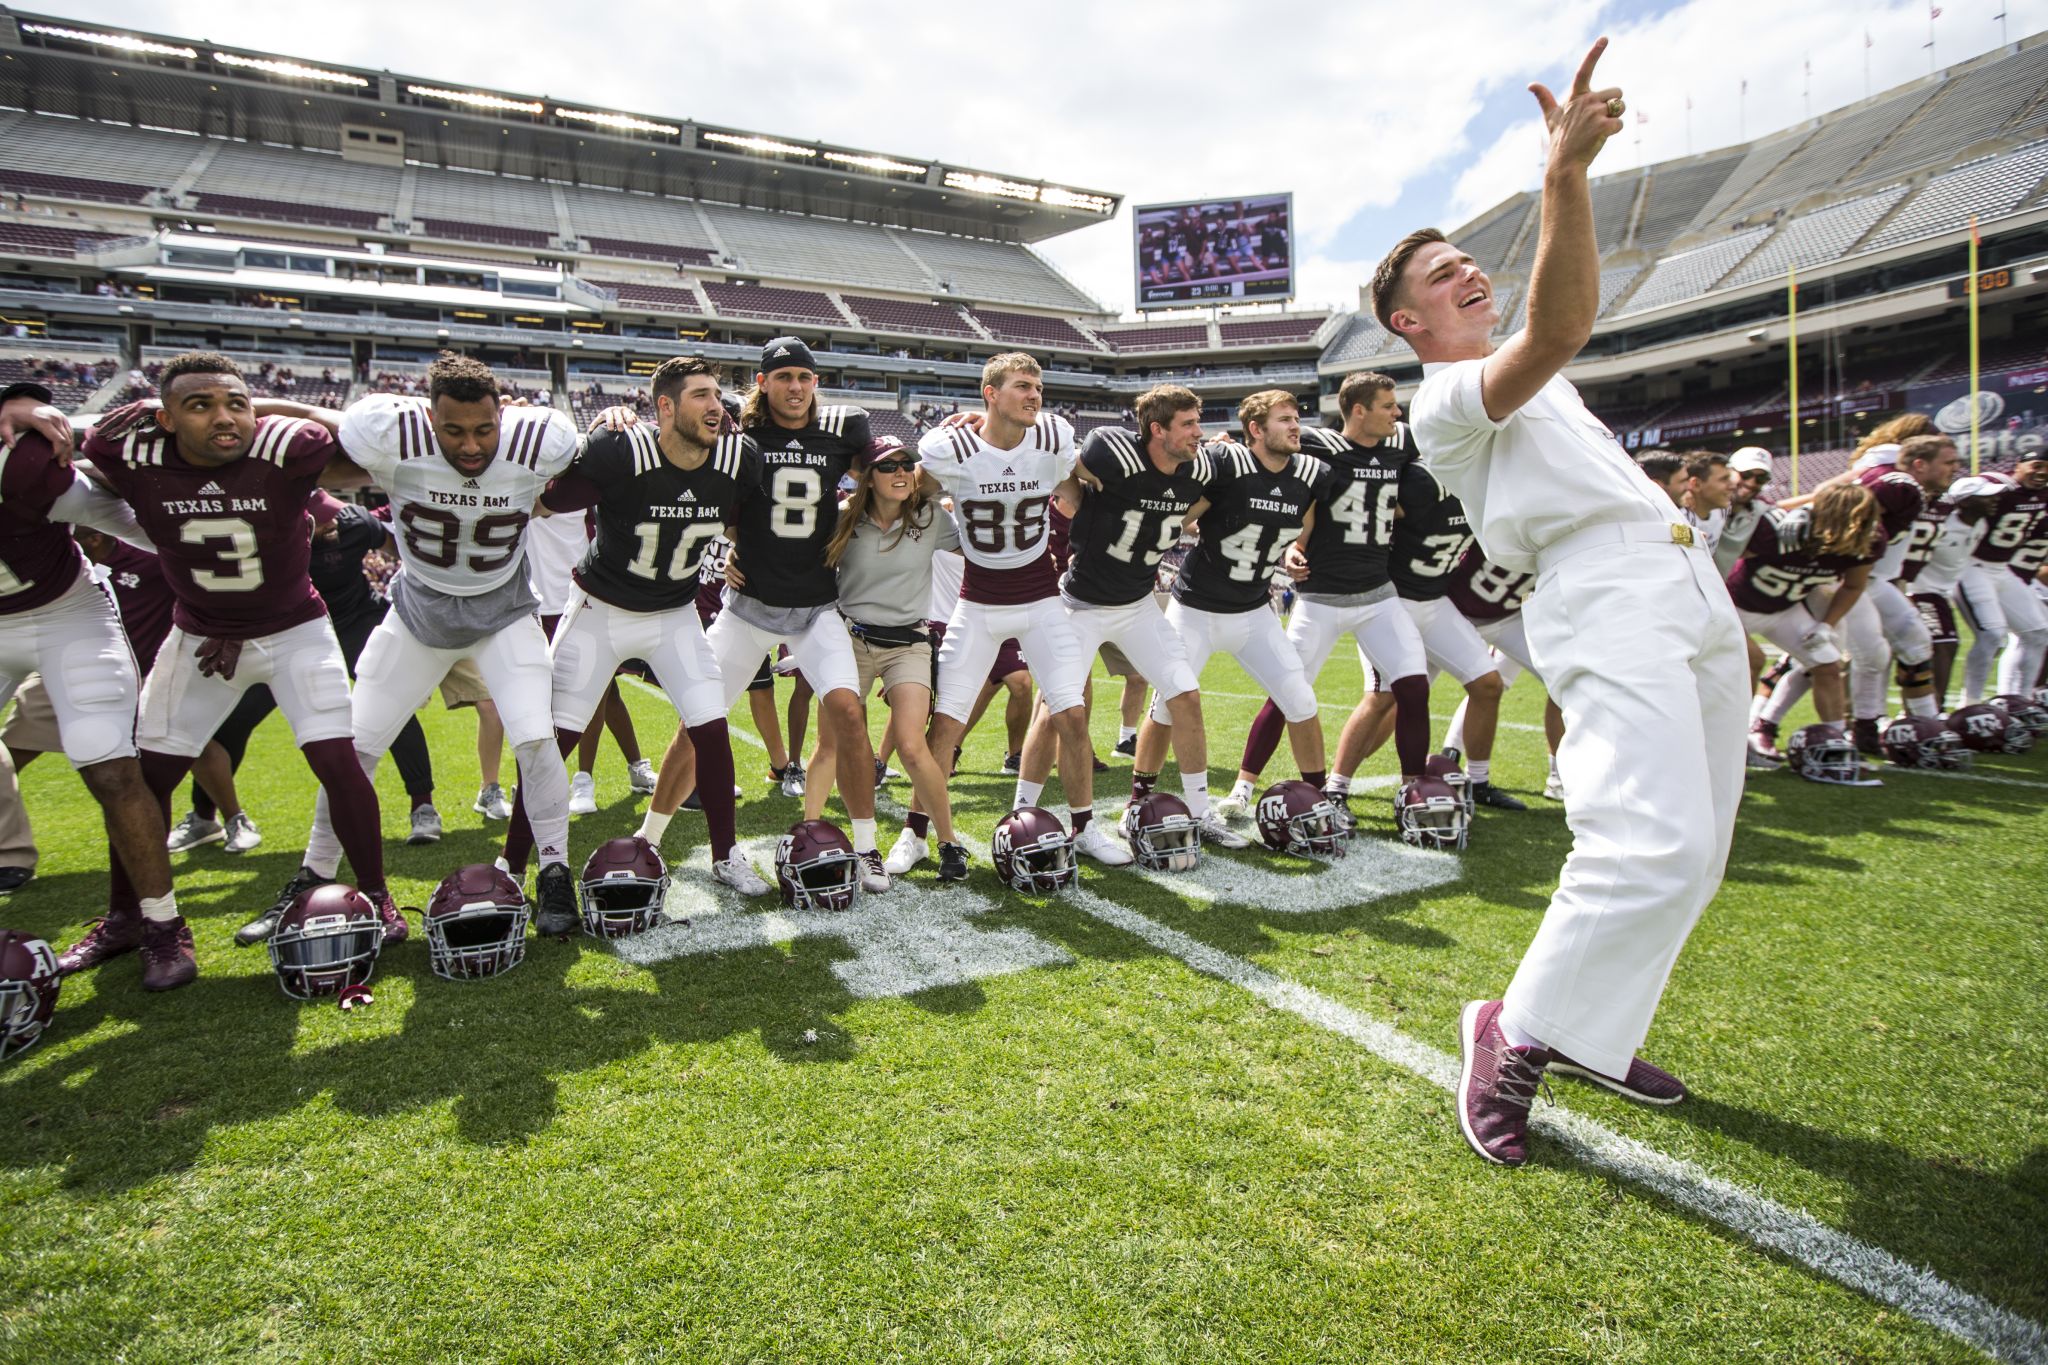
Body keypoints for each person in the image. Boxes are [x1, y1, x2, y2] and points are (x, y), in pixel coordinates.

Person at [1380, 39, 1746, 1166]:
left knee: (1695, 850)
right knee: (1643, 837)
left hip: (1681, 579)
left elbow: (1552, 337)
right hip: (1602, 589)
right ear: (1404, 322)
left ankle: (1590, 1030)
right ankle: (1514, 1030)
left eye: (1462, 260)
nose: (1463, 274)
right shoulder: (1436, 402)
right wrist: (1563, 176)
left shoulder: (1525, 384)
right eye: (1437, 274)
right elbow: (1559, 325)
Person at [63, 353, 399, 981]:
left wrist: (278, 407)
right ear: (164, 418)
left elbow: (356, 438)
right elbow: (89, 445)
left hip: (296, 629)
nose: (225, 418)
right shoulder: (131, 449)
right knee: (143, 779)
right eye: (201, 405)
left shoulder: (285, 449)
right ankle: (129, 915)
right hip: (199, 635)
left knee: (338, 762)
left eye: (236, 403)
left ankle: (377, 895)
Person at [247, 352, 581, 940]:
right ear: (428, 419)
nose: (472, 444)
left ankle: (554, 871)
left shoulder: (538, 438)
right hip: (418, 615)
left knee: (534, 736)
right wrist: (245, 405)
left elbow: (598, 453)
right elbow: (312, 420)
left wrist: (617, 424)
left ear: (503, 415)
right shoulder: (391, 432)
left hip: (502, 615)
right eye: (453, 430)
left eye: (484, 429)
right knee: (358, 750)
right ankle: (312, 872)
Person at [499, 355, 768, 895]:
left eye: (717, 395)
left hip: (674, 613)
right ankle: (512, 863)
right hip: (602, 610)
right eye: (701, 396)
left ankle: (725, 855)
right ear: (664, 407)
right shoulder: (621, 449)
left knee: (711, 729)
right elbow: (542, 504)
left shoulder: (740, 458)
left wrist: (746, 553)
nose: (716, 406)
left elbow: (743, 522)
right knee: (557, 741)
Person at [640, 338, 891, 889]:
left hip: (816, 606)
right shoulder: (739, 435)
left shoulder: (844, 428)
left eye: (804, 376)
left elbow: (890, 471)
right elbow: (706, 489)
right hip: (748, 607)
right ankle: (647, 841)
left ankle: (868, 846)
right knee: (697, 722)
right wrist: (730, 541)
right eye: (783, 378)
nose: (795, 387)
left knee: (848, 714)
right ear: (762, 383)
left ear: (815, 382)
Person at [909, 353, 1127, 866]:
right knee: (945, 726)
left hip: (1040, 600)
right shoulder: (951, 447)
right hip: (977, 604)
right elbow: (908, 494)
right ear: (990, 394)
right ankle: (915, 835)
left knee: (1071, 714)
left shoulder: (1052, 438)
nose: (1035, 395)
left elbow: (1083, 487)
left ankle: (1084, 827)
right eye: (1023, 386)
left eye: (1039, 387)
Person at [1006, 385, 1240, 851]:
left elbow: (1199, 504)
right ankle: (1021, 817)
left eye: (1198, 423)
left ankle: (1200, 811)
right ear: (1158, 429)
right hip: (1080, 606)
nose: (1200, 433)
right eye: (1188, 424)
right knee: (1055, 710)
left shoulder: (1202, 467)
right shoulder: (1113, 454)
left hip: (1137, 605)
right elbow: (1061, 467)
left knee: (1185, 696)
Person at [1214, 371, 1431, 820]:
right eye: (1388, 406)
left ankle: (1413, 791)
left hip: (1378, 595)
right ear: (1358, 410)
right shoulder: (1319, 447)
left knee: (1413, 685)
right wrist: (1295, 547)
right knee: (1287, 690)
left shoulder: (1401, 443)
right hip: (1322, 599)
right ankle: (1242, 787)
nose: (1397, 413)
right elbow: (1271, 450)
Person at [1129, 390, 1334, 817]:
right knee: (1167, 703)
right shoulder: (1227, 464)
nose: (1296, 425)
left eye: (1297, 417)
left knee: (1301, 699)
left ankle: (1320, 797)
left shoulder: (1311, 473)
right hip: (1197, 607)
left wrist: (1296, 549)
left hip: (1255, 610)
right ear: (1255, 430)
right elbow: (1180, 508)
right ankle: (1138, 798)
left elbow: (1304, 518)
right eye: (1284, 419)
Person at [798, 435, 970, 880]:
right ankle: (807, 833)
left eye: (906, 465)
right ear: (866, 477)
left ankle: (950, 843)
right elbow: (790, 558)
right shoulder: (839, 518)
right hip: (849, 640)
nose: (900, 472)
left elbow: (982, 551)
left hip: (909, 643)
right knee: (830, 744)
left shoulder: (931, 516)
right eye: (887, 466)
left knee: (913, 748)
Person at [1326, 458, 1528, 811]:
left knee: (1488, 684)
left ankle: (1477, 781)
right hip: (1391, 603)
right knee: (1382, 697)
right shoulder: (1419, 479)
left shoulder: (1485, 489)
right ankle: (1336, 787)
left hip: (1435, 602)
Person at [1730, 484, 1881, 751]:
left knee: (1828, 666)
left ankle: (1835, 740)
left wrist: (1826, 624)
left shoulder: (1866, 542)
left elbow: (1853, 586)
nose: (1871, 527)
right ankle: (1734, 740)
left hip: (1785, 610)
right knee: (1748, 664)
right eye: (1862, 519)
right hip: (1736, 607)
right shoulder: (1780, 531)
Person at [1957, 455, 2048, 703]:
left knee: (2039, 633)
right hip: (1972, 566)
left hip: (2002, 570)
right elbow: (1962, 494)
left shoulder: (2042, 496)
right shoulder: (1997, 485)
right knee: (1991, 635)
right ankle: (1970, 704)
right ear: (2018, 465)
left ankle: (2021, 701)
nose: (2041, 473)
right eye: (2037, 465)